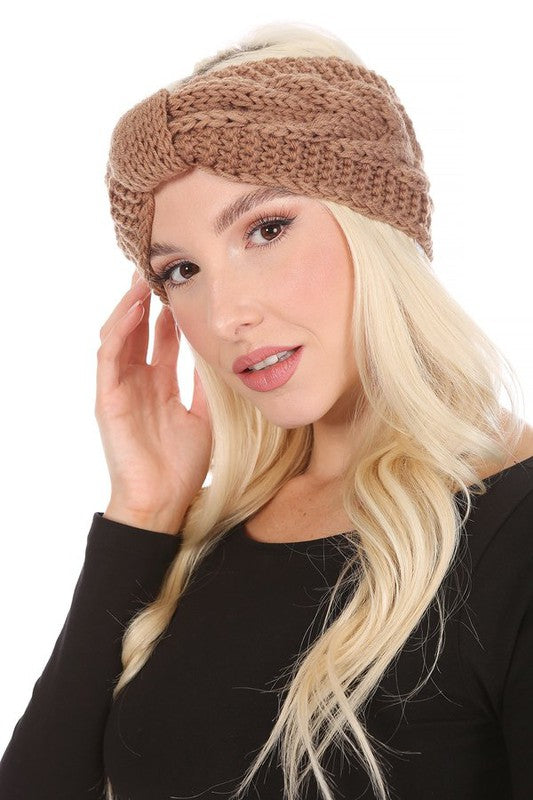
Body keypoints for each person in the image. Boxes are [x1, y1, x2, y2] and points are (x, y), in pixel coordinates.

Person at [1, 21, 532, 800]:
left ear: (377, 225)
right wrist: (142, 513)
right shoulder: (199, 542)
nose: (225, 316)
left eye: (267, 228)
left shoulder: (514, 531)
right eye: (181, 271)